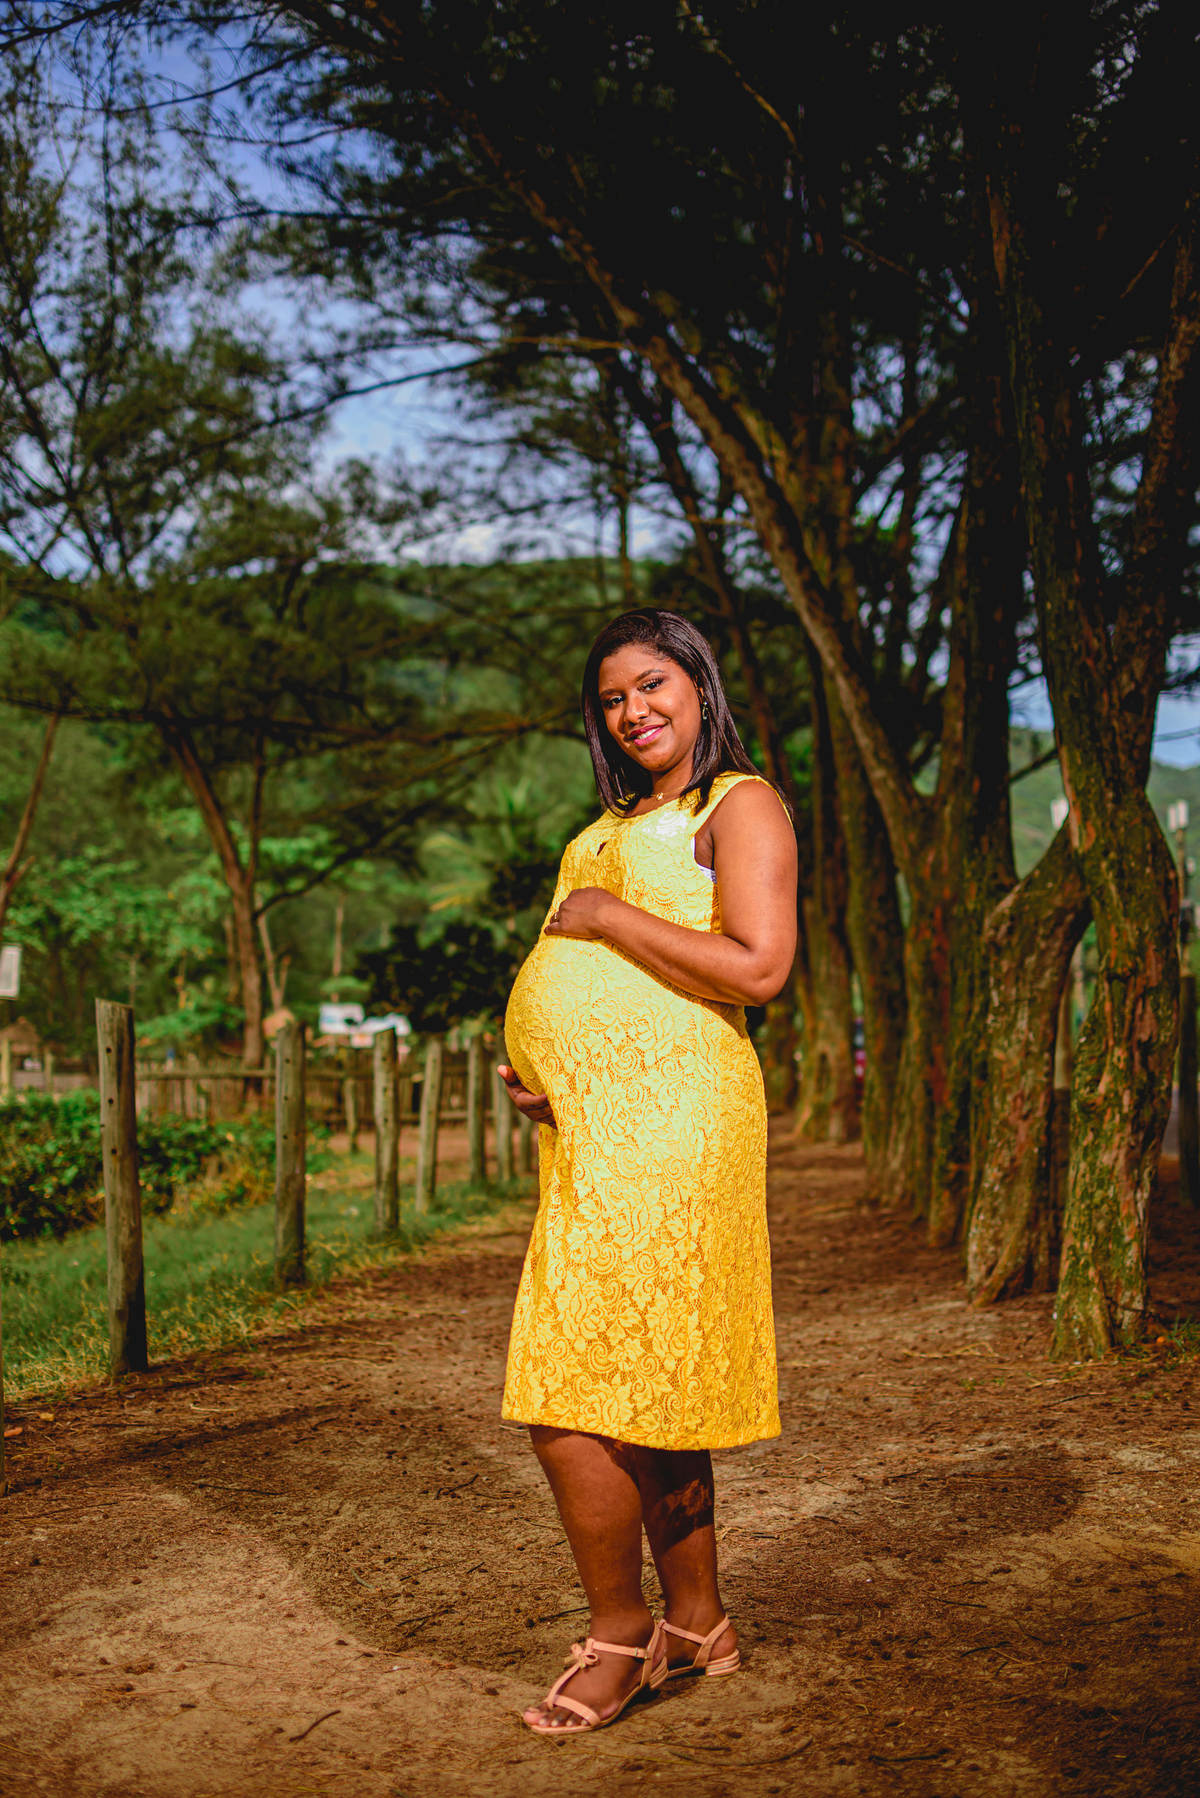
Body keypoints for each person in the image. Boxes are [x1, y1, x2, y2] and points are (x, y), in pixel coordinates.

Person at [498, 607, 797, 1736]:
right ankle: (699, 1622)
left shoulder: (741, 804)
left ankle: (619, 1632)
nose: (635, 710)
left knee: (571, 1389)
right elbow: (570, 977)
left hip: (679, 1123)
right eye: (613, 697)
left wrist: (610, 916)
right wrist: (538, 1069)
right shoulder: (598, 829)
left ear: (698, 683)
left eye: (653, 682)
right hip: (587, 1129)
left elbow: (759, 967)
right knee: (649, 1379)